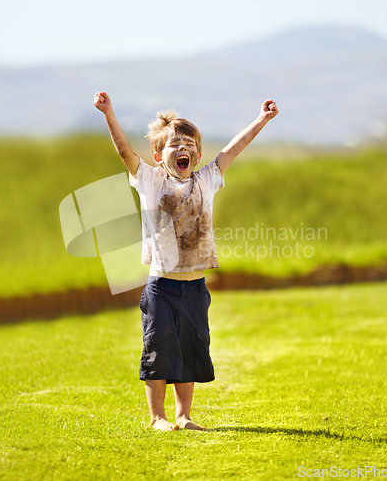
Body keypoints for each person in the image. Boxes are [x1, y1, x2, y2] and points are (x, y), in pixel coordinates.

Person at [94, 91, 278, 431]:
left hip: (195, 288)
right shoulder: (150, 180)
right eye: (174, 145)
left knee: (190, 351)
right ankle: (158, 418)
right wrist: (109, 113)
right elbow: (124, 152)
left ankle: (184, 416)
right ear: (158, 156)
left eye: (190, 144)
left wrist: (262, 119)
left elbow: (233, 149)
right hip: (161, 287)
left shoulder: (207, 179)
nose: (183, 150)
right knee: (159, 351)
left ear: (199, 153)